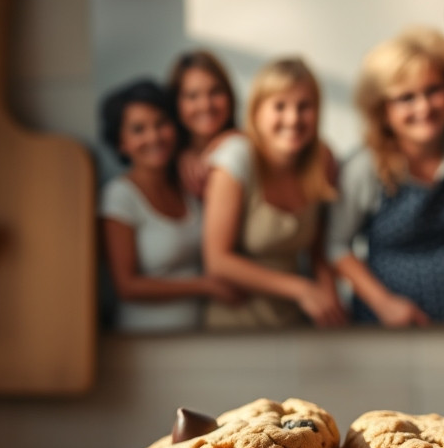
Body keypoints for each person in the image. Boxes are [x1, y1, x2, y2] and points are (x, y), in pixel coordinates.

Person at [328, 27, 444, 326]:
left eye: (433, 90)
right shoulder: (365, 167)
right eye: (405, 98)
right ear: (382, 109)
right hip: (388, 327)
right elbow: (337, 246)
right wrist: (385, 304)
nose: (423, 107)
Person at [201, 57, 346, 329]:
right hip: (236, 322)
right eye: (279, 106)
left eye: (304, 107)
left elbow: (318, 252)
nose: (293, 119)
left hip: (293, 320)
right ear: (256, 112)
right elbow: (217, 261)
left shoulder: (322, 160)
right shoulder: (236, 160)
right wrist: (301, 289)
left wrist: (330, 302)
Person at [97, 79, 241, 333]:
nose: (154, 136)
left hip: (200, 336)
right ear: (122, 143)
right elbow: (126, 286)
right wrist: (204, 285)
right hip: (144, 341)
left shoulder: (186, 184)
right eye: (138, 130)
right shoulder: (119, 196)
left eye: (161, 123)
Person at [167, 50, 239, 200]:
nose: (206, 105)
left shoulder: (246, 147)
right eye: (192, 96)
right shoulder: (166, 164)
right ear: (176, 103)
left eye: (215, 91)